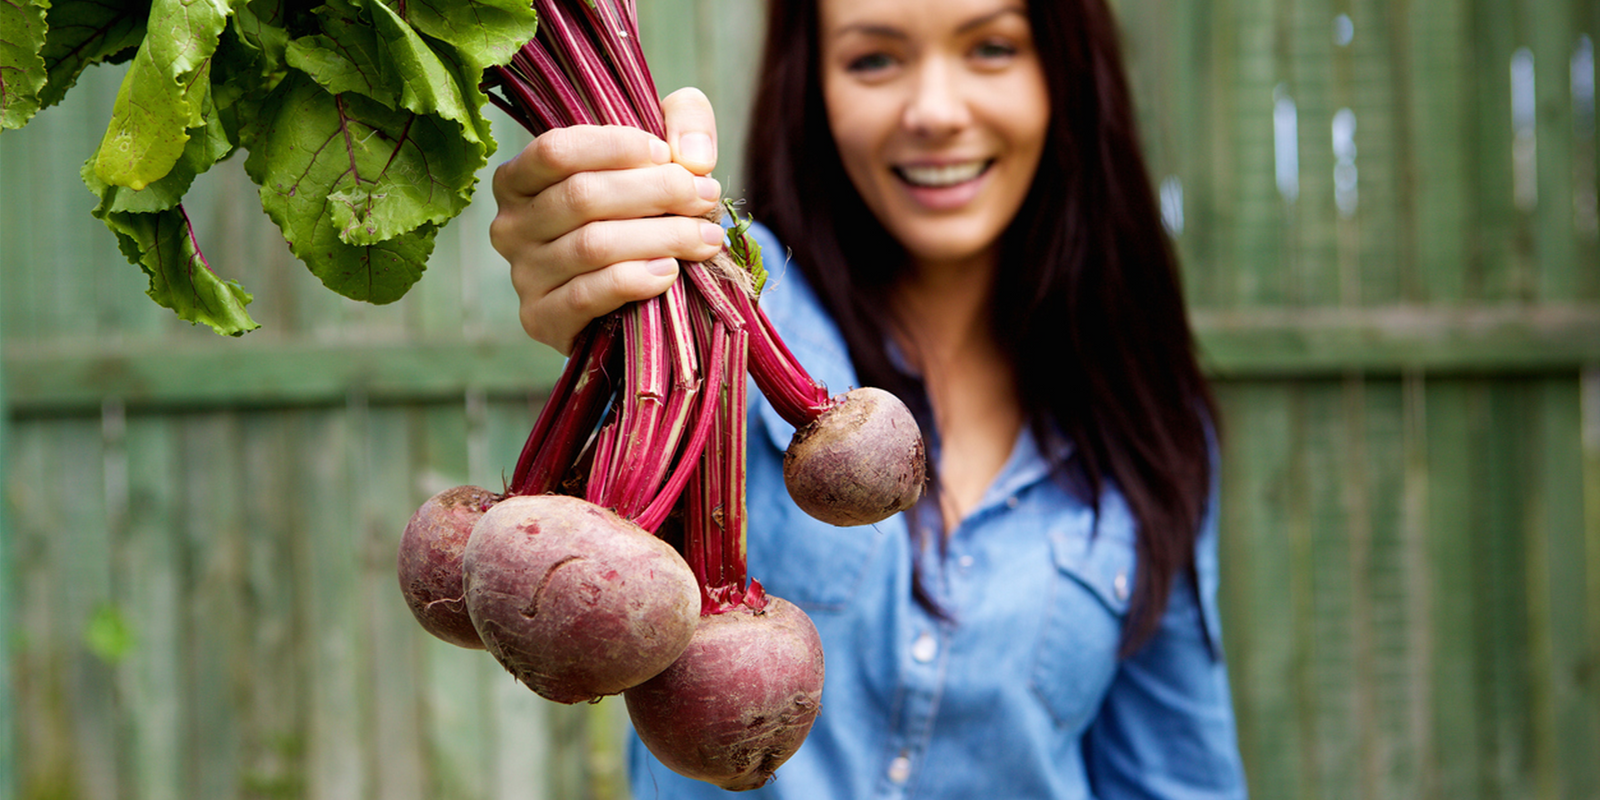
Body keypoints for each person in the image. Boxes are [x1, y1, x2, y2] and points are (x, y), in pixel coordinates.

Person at [490, 0, 1249, 796]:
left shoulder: (1145, 418)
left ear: (1066, 73)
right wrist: (602, 272)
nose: (935, 113)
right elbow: (625, 320)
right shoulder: (710, 316)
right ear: (811, 87)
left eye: (991, 48)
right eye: (874, 60)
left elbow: (1173, 776)